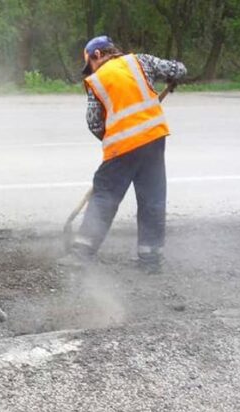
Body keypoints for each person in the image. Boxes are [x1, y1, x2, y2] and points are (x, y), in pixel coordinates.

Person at [60, 36, 186, 273]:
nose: (91, 69)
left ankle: (81, 253)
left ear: (97, 55)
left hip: (121, 147)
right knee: (152, 199)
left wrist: (112, 137)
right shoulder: (141, 61)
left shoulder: (97, 79)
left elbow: (94, 122)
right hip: (153, 139)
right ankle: (150, 261)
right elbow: (179, 69)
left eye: (90, 64)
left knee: (104, 195)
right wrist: (173, 77)